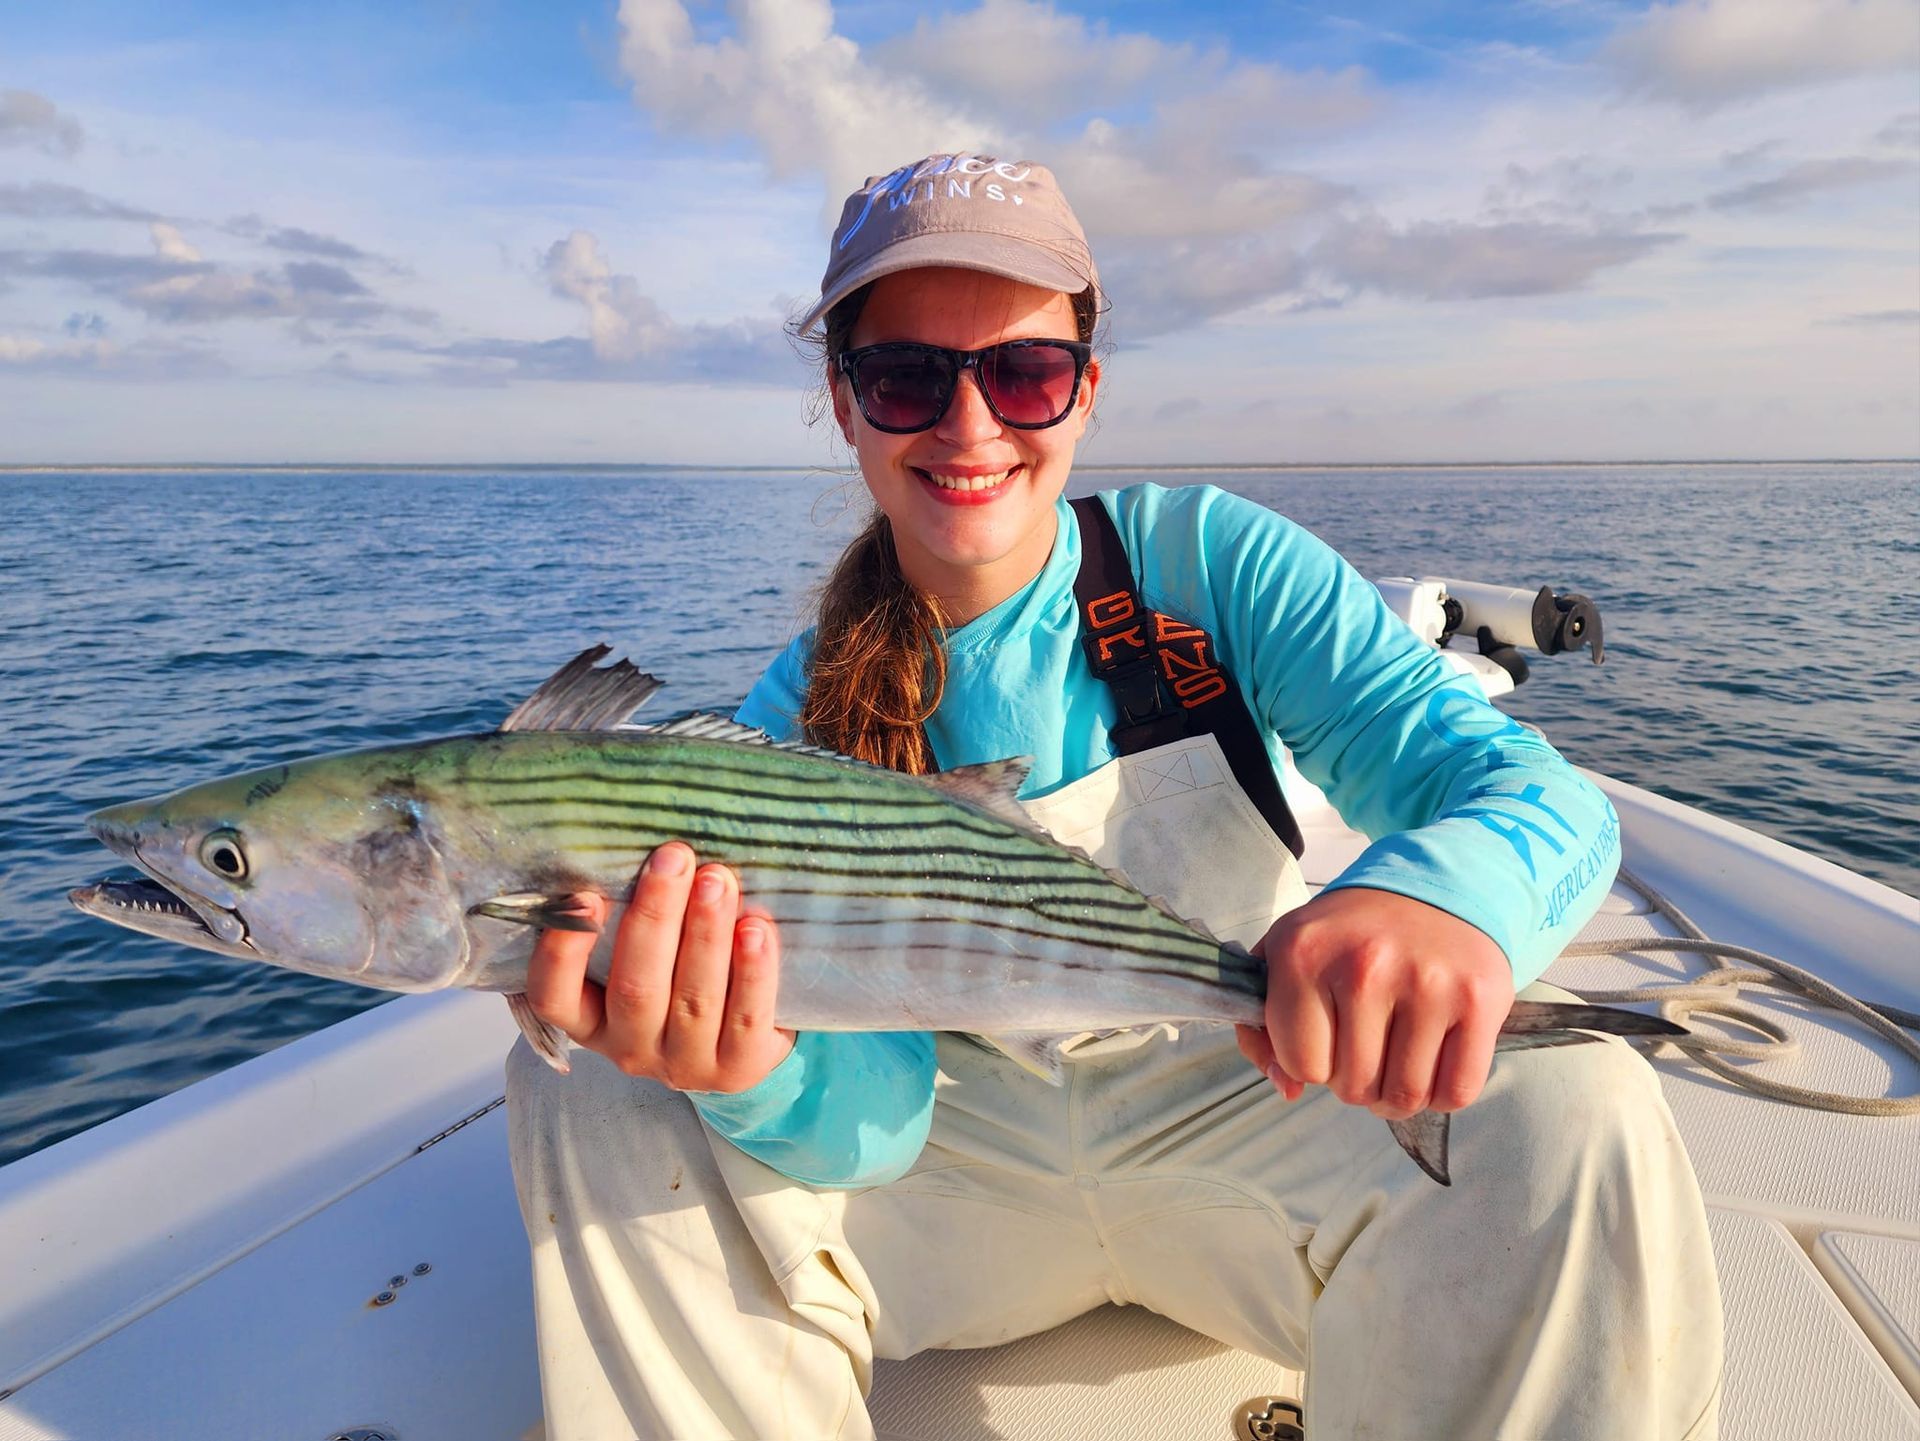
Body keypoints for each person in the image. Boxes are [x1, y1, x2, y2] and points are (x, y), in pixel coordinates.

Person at [506, 153, 1723, 1441]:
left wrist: (1437, 902)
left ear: (1086, 388)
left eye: (1023, 372)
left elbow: (1528, 792)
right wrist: (749, 1070)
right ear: (843, 399)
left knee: (1573, 1103)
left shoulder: (1207, 566)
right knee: (594, 1083)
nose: (969, 427)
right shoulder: (792, 723)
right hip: (953, 1193)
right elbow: (875, 1123)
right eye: (907, 375)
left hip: (1245, 1105)